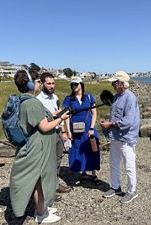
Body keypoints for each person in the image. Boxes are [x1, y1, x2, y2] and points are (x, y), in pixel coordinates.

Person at [10, 70, 69, 223]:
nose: (40, 84)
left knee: (39, 180)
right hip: (37, 149)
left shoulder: (25, 100)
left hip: (34, 146)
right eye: (38, 82)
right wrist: (61, 118)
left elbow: (40, 120)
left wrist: (55, 114)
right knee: (40, 181)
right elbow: (44, 127)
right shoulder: (32, 102)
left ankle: (42, 208)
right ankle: (41, 214)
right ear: (30, 84)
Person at [100, 71, 140, 204]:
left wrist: (110, 124)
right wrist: (108, 123)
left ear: (121, 83)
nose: (112, 84)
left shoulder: (130, 98)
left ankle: (131, 191)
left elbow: (128, 121)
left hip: (126, 137)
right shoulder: (116, 96)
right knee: (114, 163)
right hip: (115, 136)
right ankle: (115, 187)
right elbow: (114, 116)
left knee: (129, 165)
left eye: (114, 82)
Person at [36, 72, 72, 195]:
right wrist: (55, 115)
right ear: (42, 84)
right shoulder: (38, 100)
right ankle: (46, 190)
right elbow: (42, 120)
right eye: (49, 83)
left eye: (53, 83)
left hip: (57, 132)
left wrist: (63, 131)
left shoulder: (55, 98)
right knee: (47, 163)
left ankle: (55, 184)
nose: (51, 86)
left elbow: (59, 115)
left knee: (57, 160)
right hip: (46, 134)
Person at [62, 77, 101, 185]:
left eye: (76, 84)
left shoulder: (89, 97)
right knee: (79, 150)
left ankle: (93, 174)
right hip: (75, 129)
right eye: (72, 85)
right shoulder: (69, 99)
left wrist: (92, 128)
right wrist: (68, 131)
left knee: (92, 149)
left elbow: (94, 113)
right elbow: (66, 117)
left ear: (81, 85)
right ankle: (83, 172)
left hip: (88, 128)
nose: (74, 86)